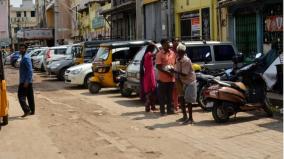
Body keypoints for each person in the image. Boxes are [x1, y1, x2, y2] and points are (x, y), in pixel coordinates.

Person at [174, 43, 197, 124]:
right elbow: (177, 70)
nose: (179, 53)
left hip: (190, 81)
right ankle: (185, 116)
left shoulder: (186, 60)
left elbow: (184, 73)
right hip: (183, 81)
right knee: (182, 99)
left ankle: (190, 118)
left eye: (181, 52)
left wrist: (174, 71)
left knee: (189, 101)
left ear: (184, 52)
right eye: (178, 51)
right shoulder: (178, 59)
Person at [156, 39, 176, 115]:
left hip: (171, 78)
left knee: (170, 96)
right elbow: (158, 66)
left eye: (169, 43)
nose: (169, 45)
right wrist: (167, 73)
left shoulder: (172, 53)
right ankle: (162, 111)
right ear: (163, 45)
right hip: (163, 79)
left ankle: (169, 110)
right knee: (162, 96)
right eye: (167, 43)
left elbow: (174, 64)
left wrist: (173, 71)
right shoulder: (159, 54)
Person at [18, 44, 35, 117]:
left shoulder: (26, 58)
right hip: (27, 81)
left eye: (22, 49)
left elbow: (30, 70)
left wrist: (27, 81)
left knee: (20, 96)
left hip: (25, 81)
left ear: (25, 49)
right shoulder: (24, 57)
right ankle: (32, 111)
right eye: (20, 48)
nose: (21, 50)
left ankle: (27, 110)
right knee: (30, 96)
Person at [142, 44, 158, 112]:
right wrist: (156, 46)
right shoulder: (149, 54)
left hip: (148, 74)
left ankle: (150, 106)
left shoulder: (147, 55)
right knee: (151, 91)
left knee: (150, 91)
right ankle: (149, 106)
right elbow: (158, 52)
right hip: (150, 75)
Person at [171, 38, 181, 111]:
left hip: (181, 72)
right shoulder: (170, 51)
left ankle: (177, 104)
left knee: (179, 90)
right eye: (175, 41)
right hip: (173, 72)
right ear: (172, 42)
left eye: (178, 41)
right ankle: (175, 105)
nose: (176, 42)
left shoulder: (180, 50)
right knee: (174, 89)